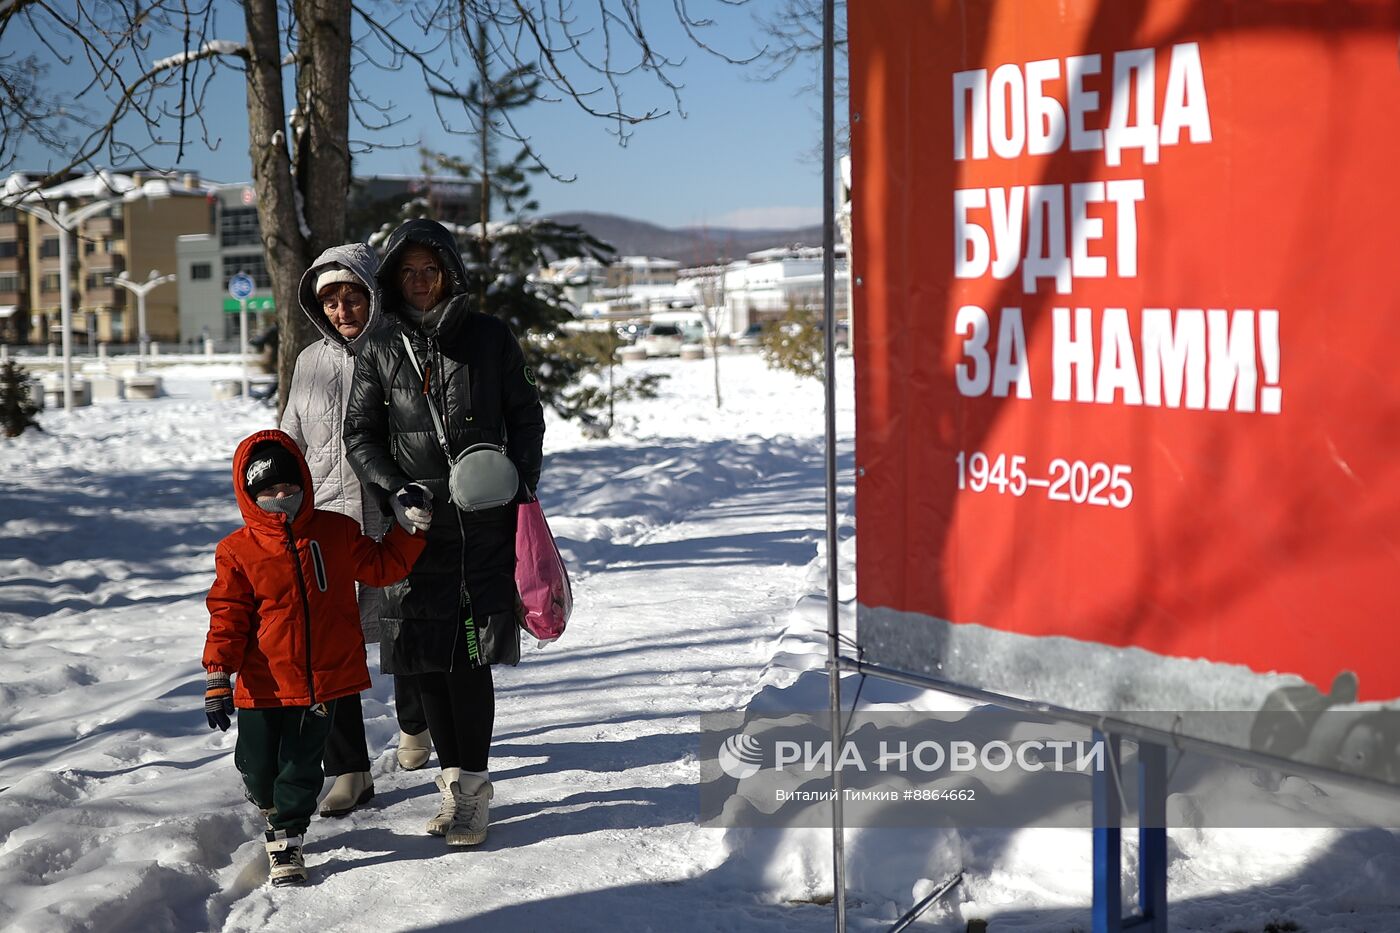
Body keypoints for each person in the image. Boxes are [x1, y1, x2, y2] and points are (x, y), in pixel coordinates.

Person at [344, 218, 544, 847]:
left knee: (469, 655)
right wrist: (392, 489)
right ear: (393, 280)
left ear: (450, 271)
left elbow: (525, 412)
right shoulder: (378, 347)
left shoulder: (486, 336)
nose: (421, 282)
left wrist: (519, 481)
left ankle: (476, 790)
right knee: (423, 660)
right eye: (409, 272)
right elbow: (361, 434)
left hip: (482, 526)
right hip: (414, 526)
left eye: (431, 269)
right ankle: (451, 788)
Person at [201, 430, 427, 885]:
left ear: (304, 484)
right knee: (256, 765)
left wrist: (410, 528)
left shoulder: (335, 531)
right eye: (268, 491)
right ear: (249, 495)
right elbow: (227, 616)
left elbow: (384, 567)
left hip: (321, 680)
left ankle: (287, 838)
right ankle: (270, 802)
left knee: (301, 767)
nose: (281, 497)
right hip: (262, 682)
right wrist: (218, 675)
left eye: (289, 487)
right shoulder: (237, 551)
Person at [280, 244, 434, 821]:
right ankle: (350, 770)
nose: (343, 309)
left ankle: (415, 724)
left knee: (405, 625)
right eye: (331, 300)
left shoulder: (404, 348)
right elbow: (291, 437)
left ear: (373, 293)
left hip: (391, 516)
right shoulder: (310, 362)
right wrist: (288, 507)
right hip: (327, 523)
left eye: (353, 296)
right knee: (332, 646)